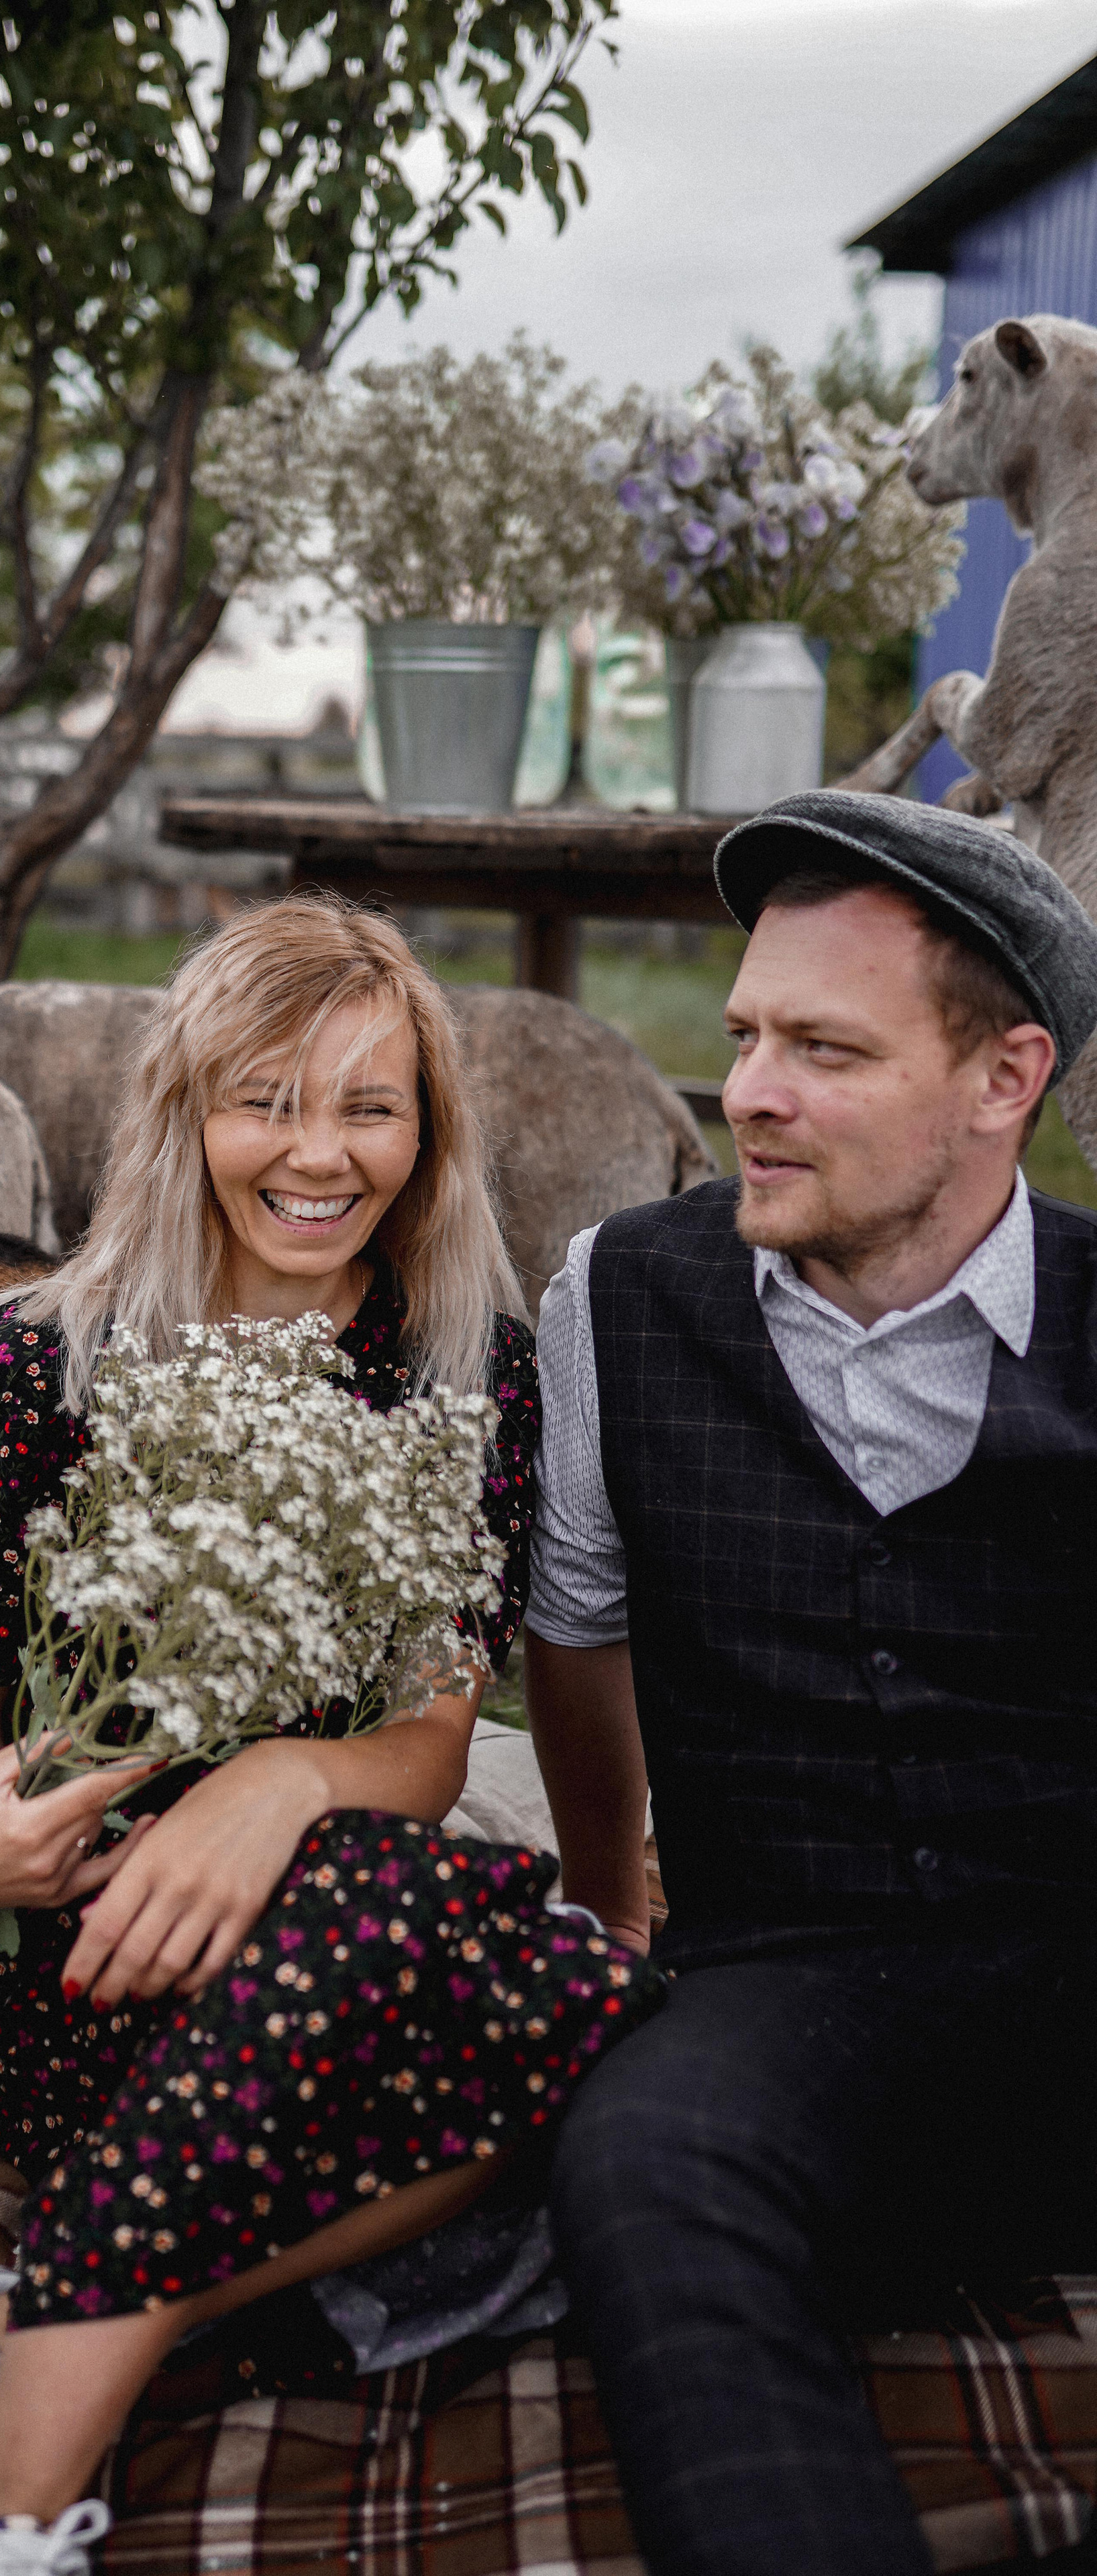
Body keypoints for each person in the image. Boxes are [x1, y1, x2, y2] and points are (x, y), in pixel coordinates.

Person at [0, 894, 662, 2576]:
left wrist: (286, 1773)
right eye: (266, 1100)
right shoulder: (42, 1358)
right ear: (184, 1112)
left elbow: (433, 1739)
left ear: (429, 1130)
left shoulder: (468, 1375)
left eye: (369, 1105)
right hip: (81, 1946)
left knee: (591, 1996)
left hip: (329, 1910)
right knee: (527, 1980)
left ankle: (22, 2313)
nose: (319, 1153)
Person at [525, 788, 1097, 2576]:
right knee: (643, 2167)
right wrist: (610, 1905)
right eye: (746, 1035)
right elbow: (578, 1626)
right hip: (787, 1970)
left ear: (1006, 1078)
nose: (748, 1092)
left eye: (823, 1050)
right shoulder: (616, 1293)